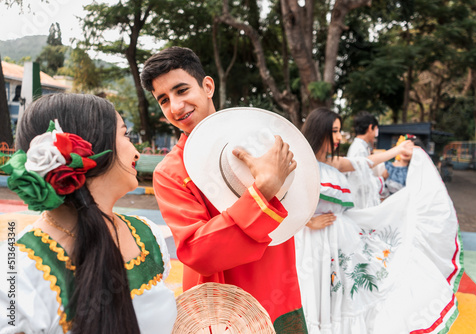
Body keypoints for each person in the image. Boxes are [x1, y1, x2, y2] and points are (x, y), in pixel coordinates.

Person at [140, 46, 308, 332]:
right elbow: (198, 253)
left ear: (207, 86)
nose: (176, 107)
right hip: (219, 309)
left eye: (182, 90)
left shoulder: (263, 137)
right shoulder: (170, 172)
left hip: (280, 290)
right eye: (164, 100)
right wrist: (261, 193)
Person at [0, 93, 177, 334]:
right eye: (125, 134)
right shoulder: (19, 269)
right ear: (89, 145)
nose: (136, 153)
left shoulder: (148, 237)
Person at [295, 107, 463, 333]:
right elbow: (286, 200)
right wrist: (307, 221)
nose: (338, 137)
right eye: (334, 131)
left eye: (339, 131)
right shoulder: (300, 163)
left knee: (349, 293)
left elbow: (366, 161)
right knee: (319, 295)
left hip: (341, 241)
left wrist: (397, 149)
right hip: (313, 244)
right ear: (319, 130)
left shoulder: (334, 162)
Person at [346, 111, 386, 208]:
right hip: (359, 201)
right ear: (370, 128)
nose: (376, 134)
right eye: (376, 129)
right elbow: (362, 180)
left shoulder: (361, 147)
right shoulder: (359, 149)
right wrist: (382, 179)